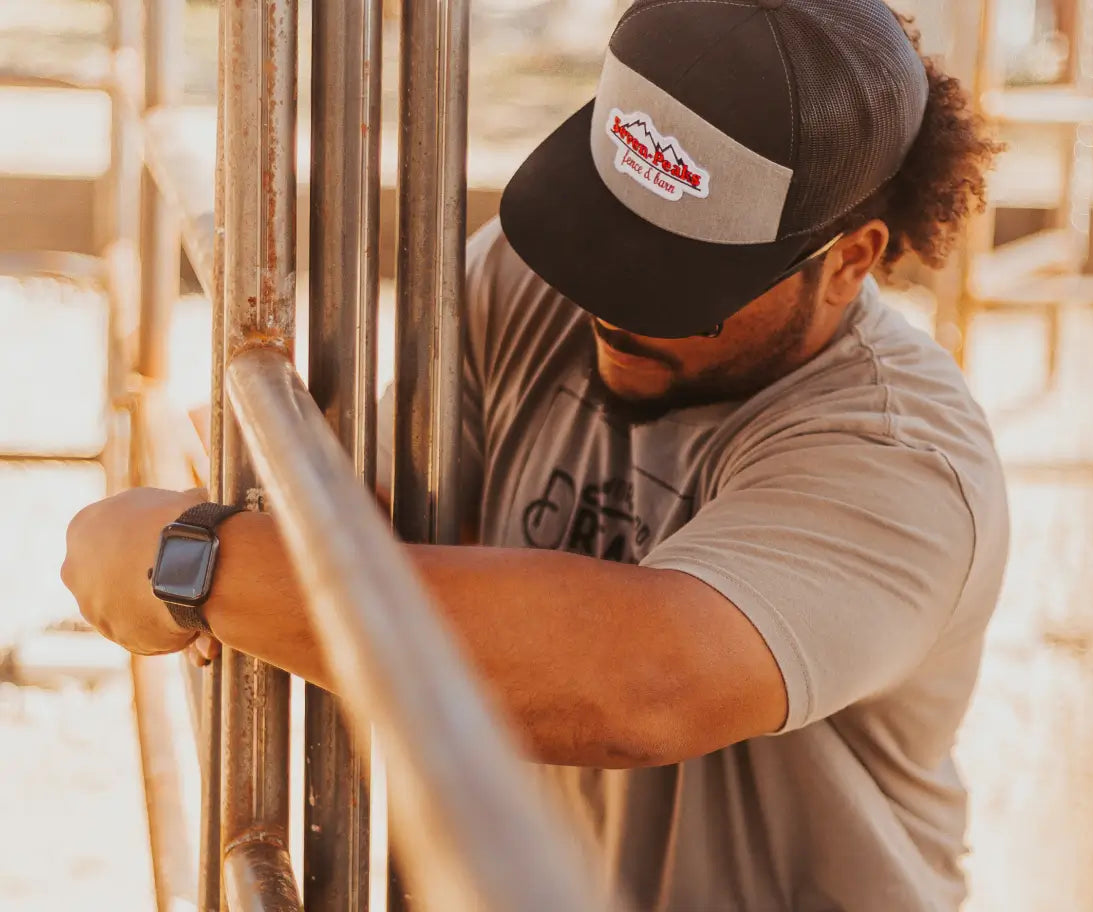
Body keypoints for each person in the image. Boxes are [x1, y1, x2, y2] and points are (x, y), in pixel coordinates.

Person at [62, 0, 1006, 908]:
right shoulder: (529, 283)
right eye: (605, 235)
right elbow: (388, 520)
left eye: (677, 277)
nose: (612, 304)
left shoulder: (901, 456)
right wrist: (263, 502)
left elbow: (645, 685)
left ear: (849, 261)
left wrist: (201, 564)